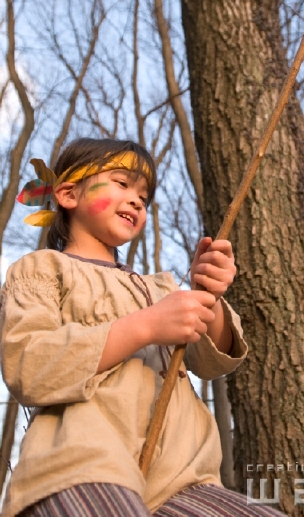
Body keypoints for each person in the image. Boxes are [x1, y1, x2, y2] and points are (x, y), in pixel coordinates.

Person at [0, 138, 287, 517]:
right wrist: (144, 327)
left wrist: (210, 295)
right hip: (81, 467)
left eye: (144, 197)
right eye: (121, 183)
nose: (137, 200)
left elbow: (212, 363)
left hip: (184, 480)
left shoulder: (160, 288)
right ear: (68, 193)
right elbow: (29, 367)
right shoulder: (41, 269)